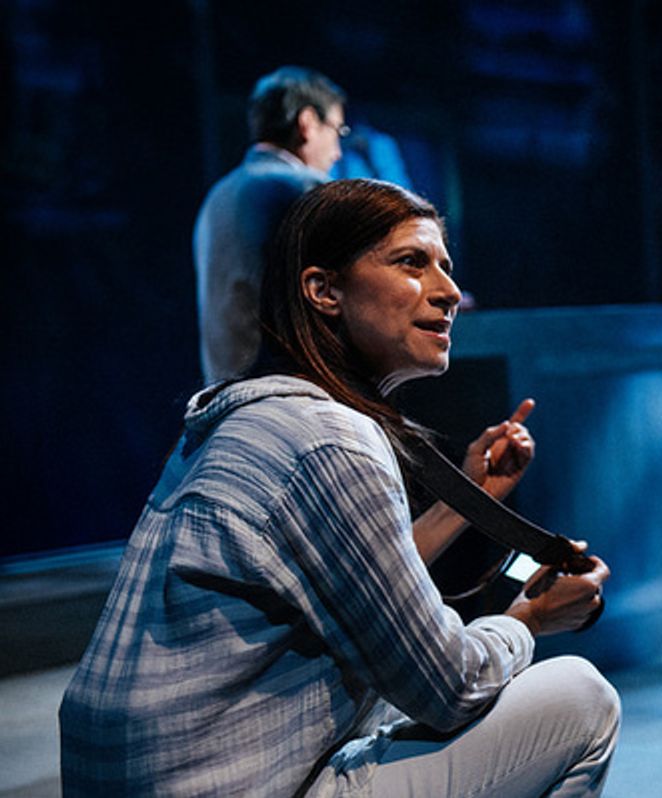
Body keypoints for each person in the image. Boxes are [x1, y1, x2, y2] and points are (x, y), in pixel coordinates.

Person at [61, 179, 620, 796]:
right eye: (412, 262)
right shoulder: (328, 436)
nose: (450, 292)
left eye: (446, 267)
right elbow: (449, 687)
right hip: (226, 784)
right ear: (323, 290)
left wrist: (468, 492)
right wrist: (532, 618)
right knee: (581, 700)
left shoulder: (240, 414)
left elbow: (350, 578)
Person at [194, 66, 349, 384]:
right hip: (295, 397)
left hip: (226, 399)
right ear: (307, 122)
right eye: (337, 130)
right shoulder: (303, 187)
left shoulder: (218, 195)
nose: (337, 152)